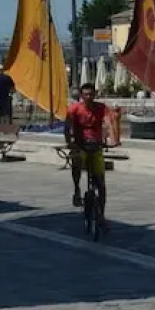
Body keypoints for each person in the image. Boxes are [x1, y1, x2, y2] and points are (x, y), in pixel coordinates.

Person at [65, 82, 109, 215]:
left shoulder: (101, 108)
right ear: (81, 95)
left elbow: (108, 122)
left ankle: (101, 212)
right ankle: (77, 189)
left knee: (101, 181)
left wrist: (109, 136)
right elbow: (67, 127)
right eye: (86, 94)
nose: (88, 97)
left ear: (95, 94)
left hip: (96, 144)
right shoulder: (74, 108)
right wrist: (70, 142)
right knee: (77, 163)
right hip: (80, 144)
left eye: (91, 94)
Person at [0, 64, 15, 134]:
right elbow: (13, 88)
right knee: (5, 115)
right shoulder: (8, 77)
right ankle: (5, 130)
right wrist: (11, 94)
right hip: (6, 98)